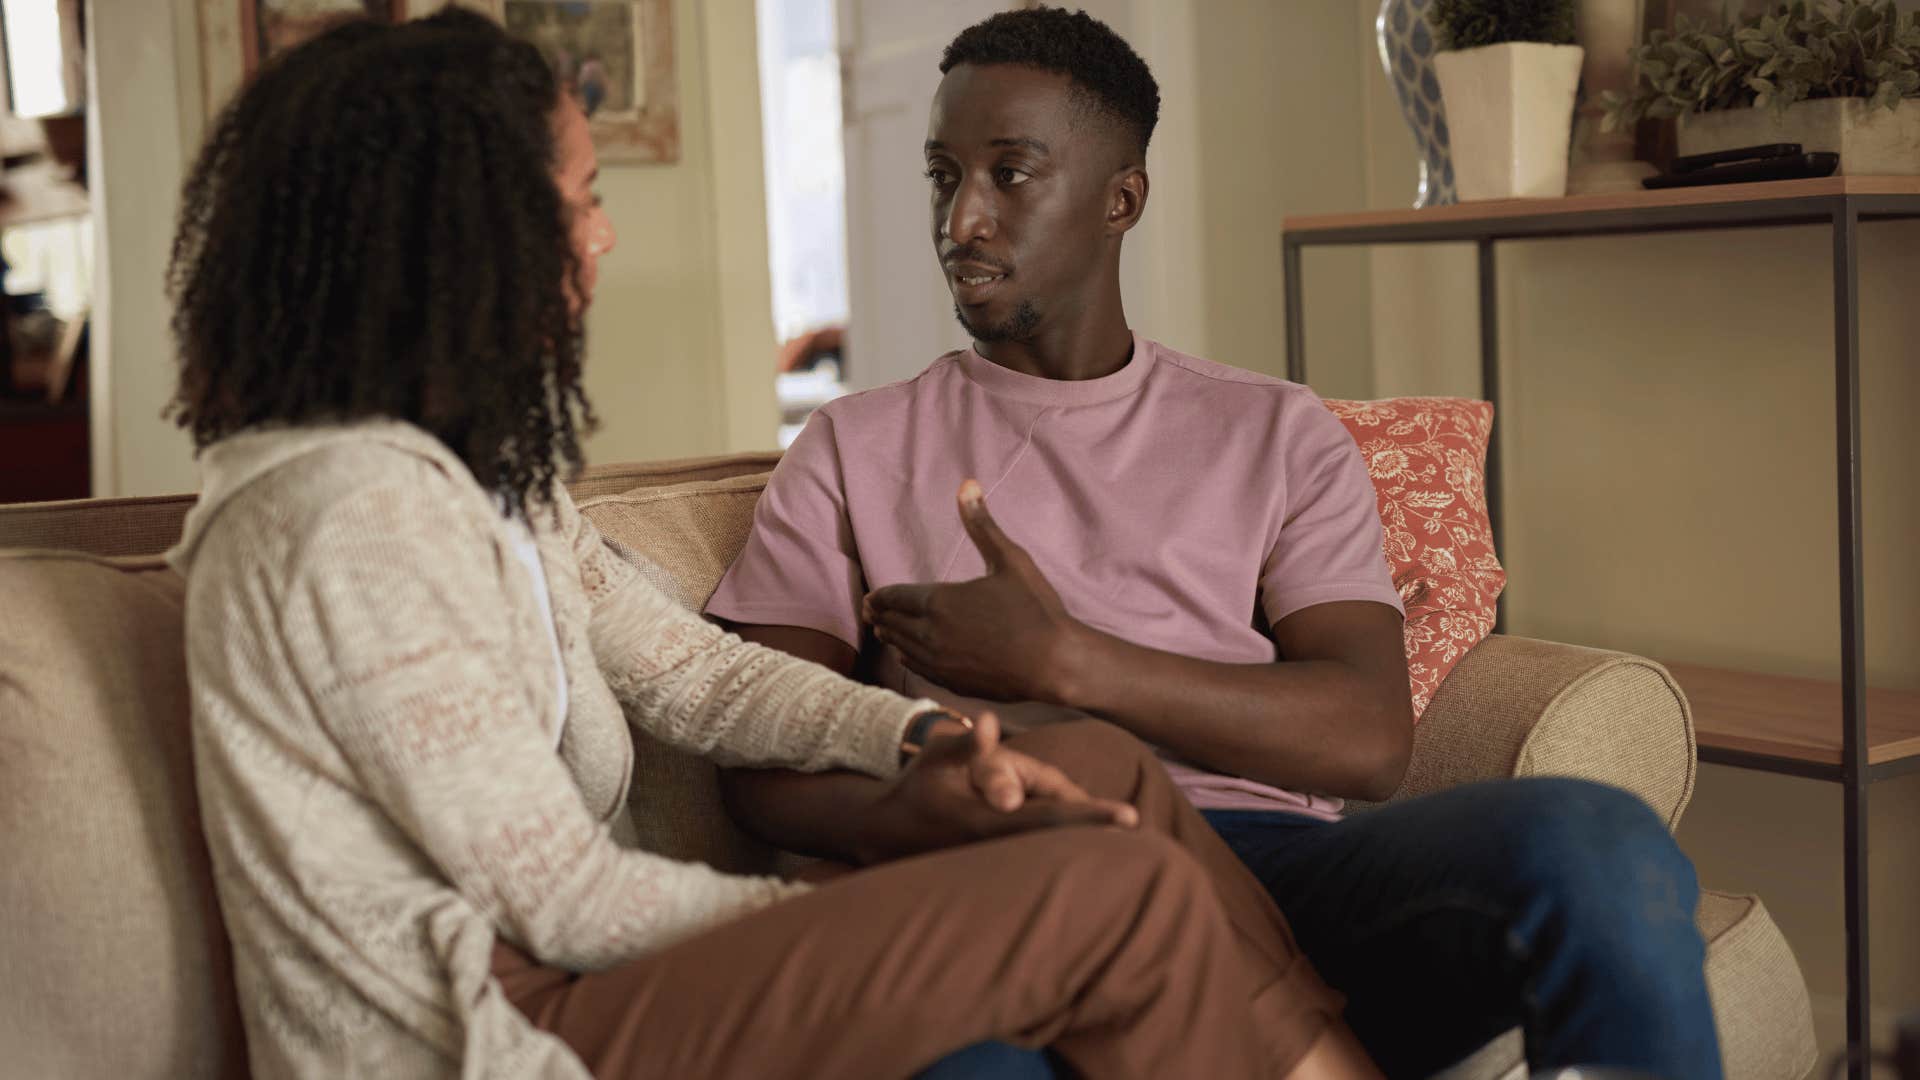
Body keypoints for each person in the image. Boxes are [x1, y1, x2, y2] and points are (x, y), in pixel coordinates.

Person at [161, 10, 1380, 1079]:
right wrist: (868, 910)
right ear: (459, 235)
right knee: (1105, 889)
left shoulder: (485, 486)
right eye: (580, 200)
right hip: (497, 1029)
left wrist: (926, 737)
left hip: (582, 981)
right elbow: (562, 901)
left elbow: (697, 673)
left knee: (1099, 776)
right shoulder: (343, 521)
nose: (602, 238)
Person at [707, 8, 1723, 1079]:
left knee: (1598, 843)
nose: (961, 221)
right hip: (1008, 882)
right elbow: (759, 768)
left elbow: (1367, 737)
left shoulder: (1275, 431)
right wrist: (933, 802)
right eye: (941, 175)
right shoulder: (850, 448)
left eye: (1010, 175)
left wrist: (1067, 663)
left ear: (1120, 199)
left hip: (1275, 877)